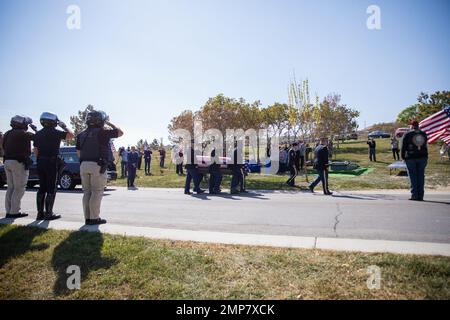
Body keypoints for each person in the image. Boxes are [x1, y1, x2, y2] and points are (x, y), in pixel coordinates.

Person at [76, 111, 123, 225]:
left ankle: (87, 218)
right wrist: (109, 122)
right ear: (101, 120)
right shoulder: (103, 132)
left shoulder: (81, 134)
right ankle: (94, 218)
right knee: (97, 192)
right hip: (97, 164)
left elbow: (78, 152)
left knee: (87, 192)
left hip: (83, 164)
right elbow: (120, 132)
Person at [33, 112, 74, 220]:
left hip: (40, 162)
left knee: (42, 188)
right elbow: (71, 135)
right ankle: (49, 213)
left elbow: (35, 151)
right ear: (53, 122)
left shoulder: (38, 134)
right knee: (51, 188)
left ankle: (40, 213)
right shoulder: (56, 132)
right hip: (51, 162)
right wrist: (64, 126)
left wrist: (39, 160)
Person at [2, 115, 35, 218]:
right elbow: (37, 137)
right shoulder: (23, 134)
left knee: (10, 187)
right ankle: (14, 212)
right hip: (18, 162)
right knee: (19, 187)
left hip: (7, 162)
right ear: (22, 124)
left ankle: (9, 211)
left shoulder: (7, 133)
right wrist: (35, 129)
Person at [401, 120, 428, 201]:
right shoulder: (423, 134)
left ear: (411, 126)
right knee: (421, 176)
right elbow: (425, 145)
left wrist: (403, 157)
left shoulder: (408, 134)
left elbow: (403, 147)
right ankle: (421, 195)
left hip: (411, 157)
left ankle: (414, 195)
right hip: (423, 157)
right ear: (418, 125)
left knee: (413, 176)